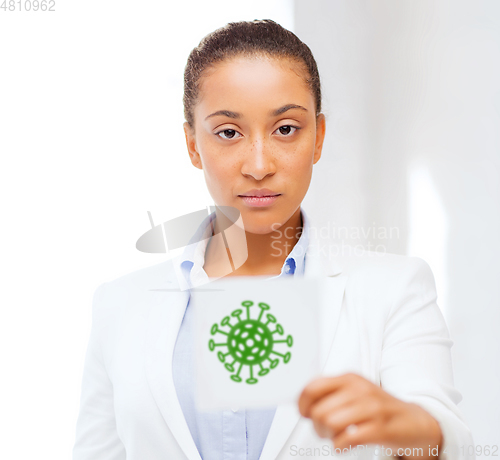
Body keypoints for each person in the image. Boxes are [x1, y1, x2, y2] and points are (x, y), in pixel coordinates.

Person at [72, 19, 474, 460]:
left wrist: (416, 433)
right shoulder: (119, 305)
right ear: (192, 144)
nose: (259, 165)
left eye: (286, 129)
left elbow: (449, 441)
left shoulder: (394, 289)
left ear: (318, 137)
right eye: (228, 132)